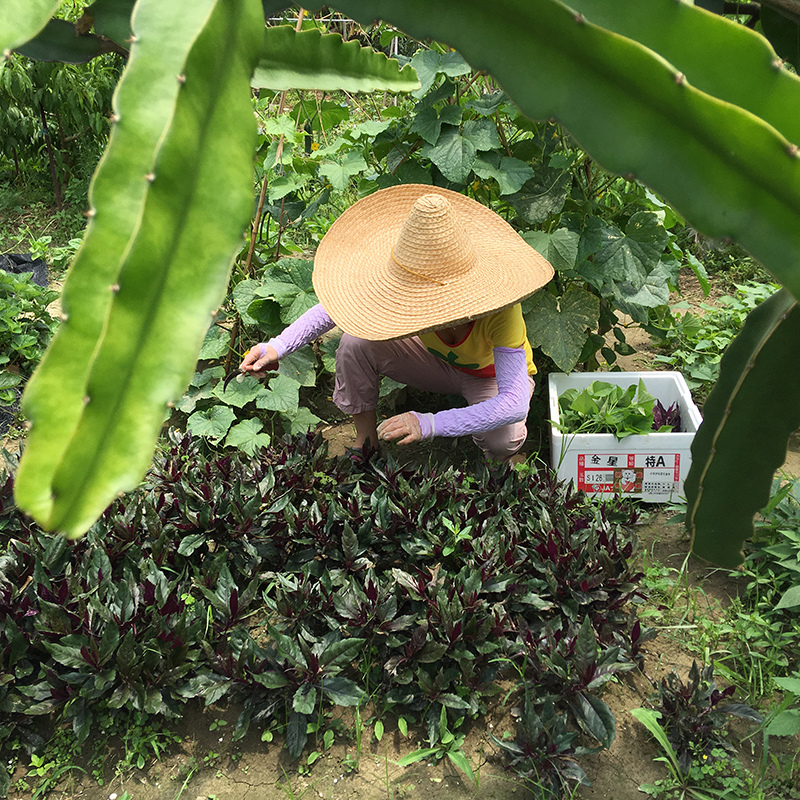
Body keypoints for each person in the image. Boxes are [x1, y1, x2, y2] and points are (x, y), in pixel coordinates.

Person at [239, 184, 554, 461]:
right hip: (435, 362)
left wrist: (429, 424)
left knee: (505, 437)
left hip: (490, 377)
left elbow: (513, 404)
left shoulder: (500, 308)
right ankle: (366, 441)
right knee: (355, 343)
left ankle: (496, 466)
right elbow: (337, 306)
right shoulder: (409, 276)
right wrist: (278, 346)